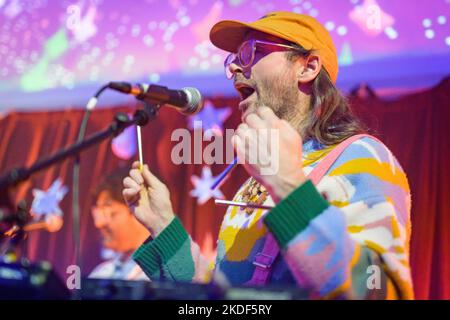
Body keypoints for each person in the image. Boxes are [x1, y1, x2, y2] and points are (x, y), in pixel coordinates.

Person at [122, 12, 413, 299]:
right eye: (232, 60)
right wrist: (163, 225)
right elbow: (226, 299)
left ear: (308, 67)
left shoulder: (360, 156)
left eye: (250, 52)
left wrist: (287, 185)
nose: (235, 67)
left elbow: (378, 292)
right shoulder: (255, 183)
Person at [89, 167, 150, 281]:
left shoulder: (170, 272)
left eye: (110, 211)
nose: (99, 223)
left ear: (138, 209)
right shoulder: (101, 274)